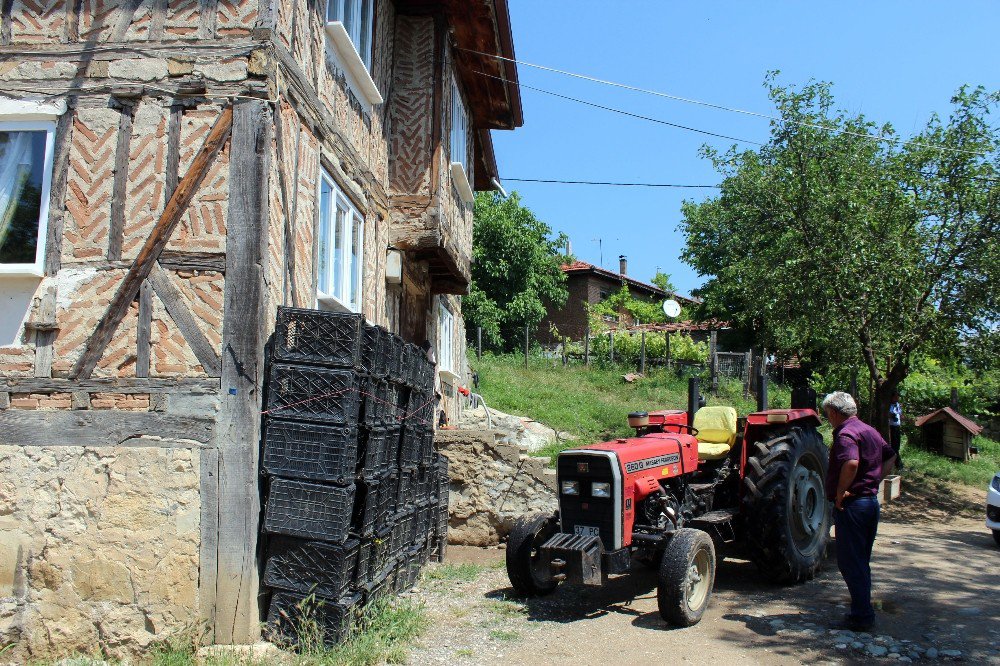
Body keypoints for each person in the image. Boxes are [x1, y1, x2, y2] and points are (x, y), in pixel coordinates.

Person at [821, 391, 897, 631]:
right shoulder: (869, 430)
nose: (828, 419)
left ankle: (862, 617)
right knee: (861, 561)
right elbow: (891, 455)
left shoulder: (846, 434)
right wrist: (874, 482)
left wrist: (842, 491)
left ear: (834, 413)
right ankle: (862, 611)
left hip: (853, 506)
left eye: (827, 415)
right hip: (869, 503)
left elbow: (851, 463)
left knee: (851, 562)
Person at [888, 392, 903, 468]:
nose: (897, 398)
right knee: (895, 446)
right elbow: (887, 415)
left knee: (897, 446)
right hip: (891, 427)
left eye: (898, 397)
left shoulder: (897, 405)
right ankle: (898, 464)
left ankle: (897, 463)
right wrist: (891, 415)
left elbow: (900, 414)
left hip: (897, 427)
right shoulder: (888, 405)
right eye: (896, 397)